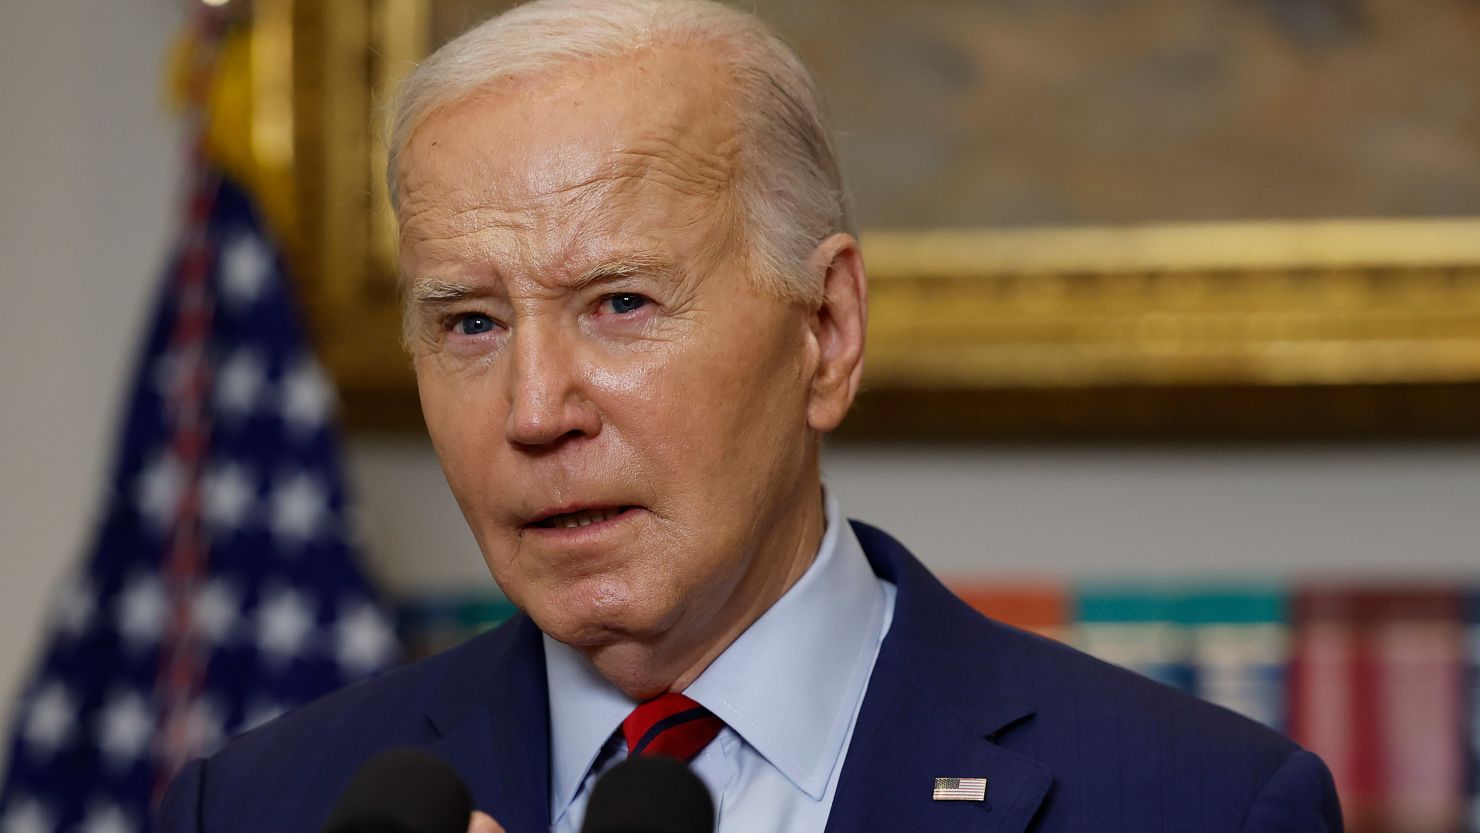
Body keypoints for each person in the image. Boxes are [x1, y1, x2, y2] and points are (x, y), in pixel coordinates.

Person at [159, 1, 1343, 831]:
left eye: (619, 301)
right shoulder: (262, 804)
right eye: (470, 323)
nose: (533, 411)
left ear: (824, 330)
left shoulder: (1192, 802)